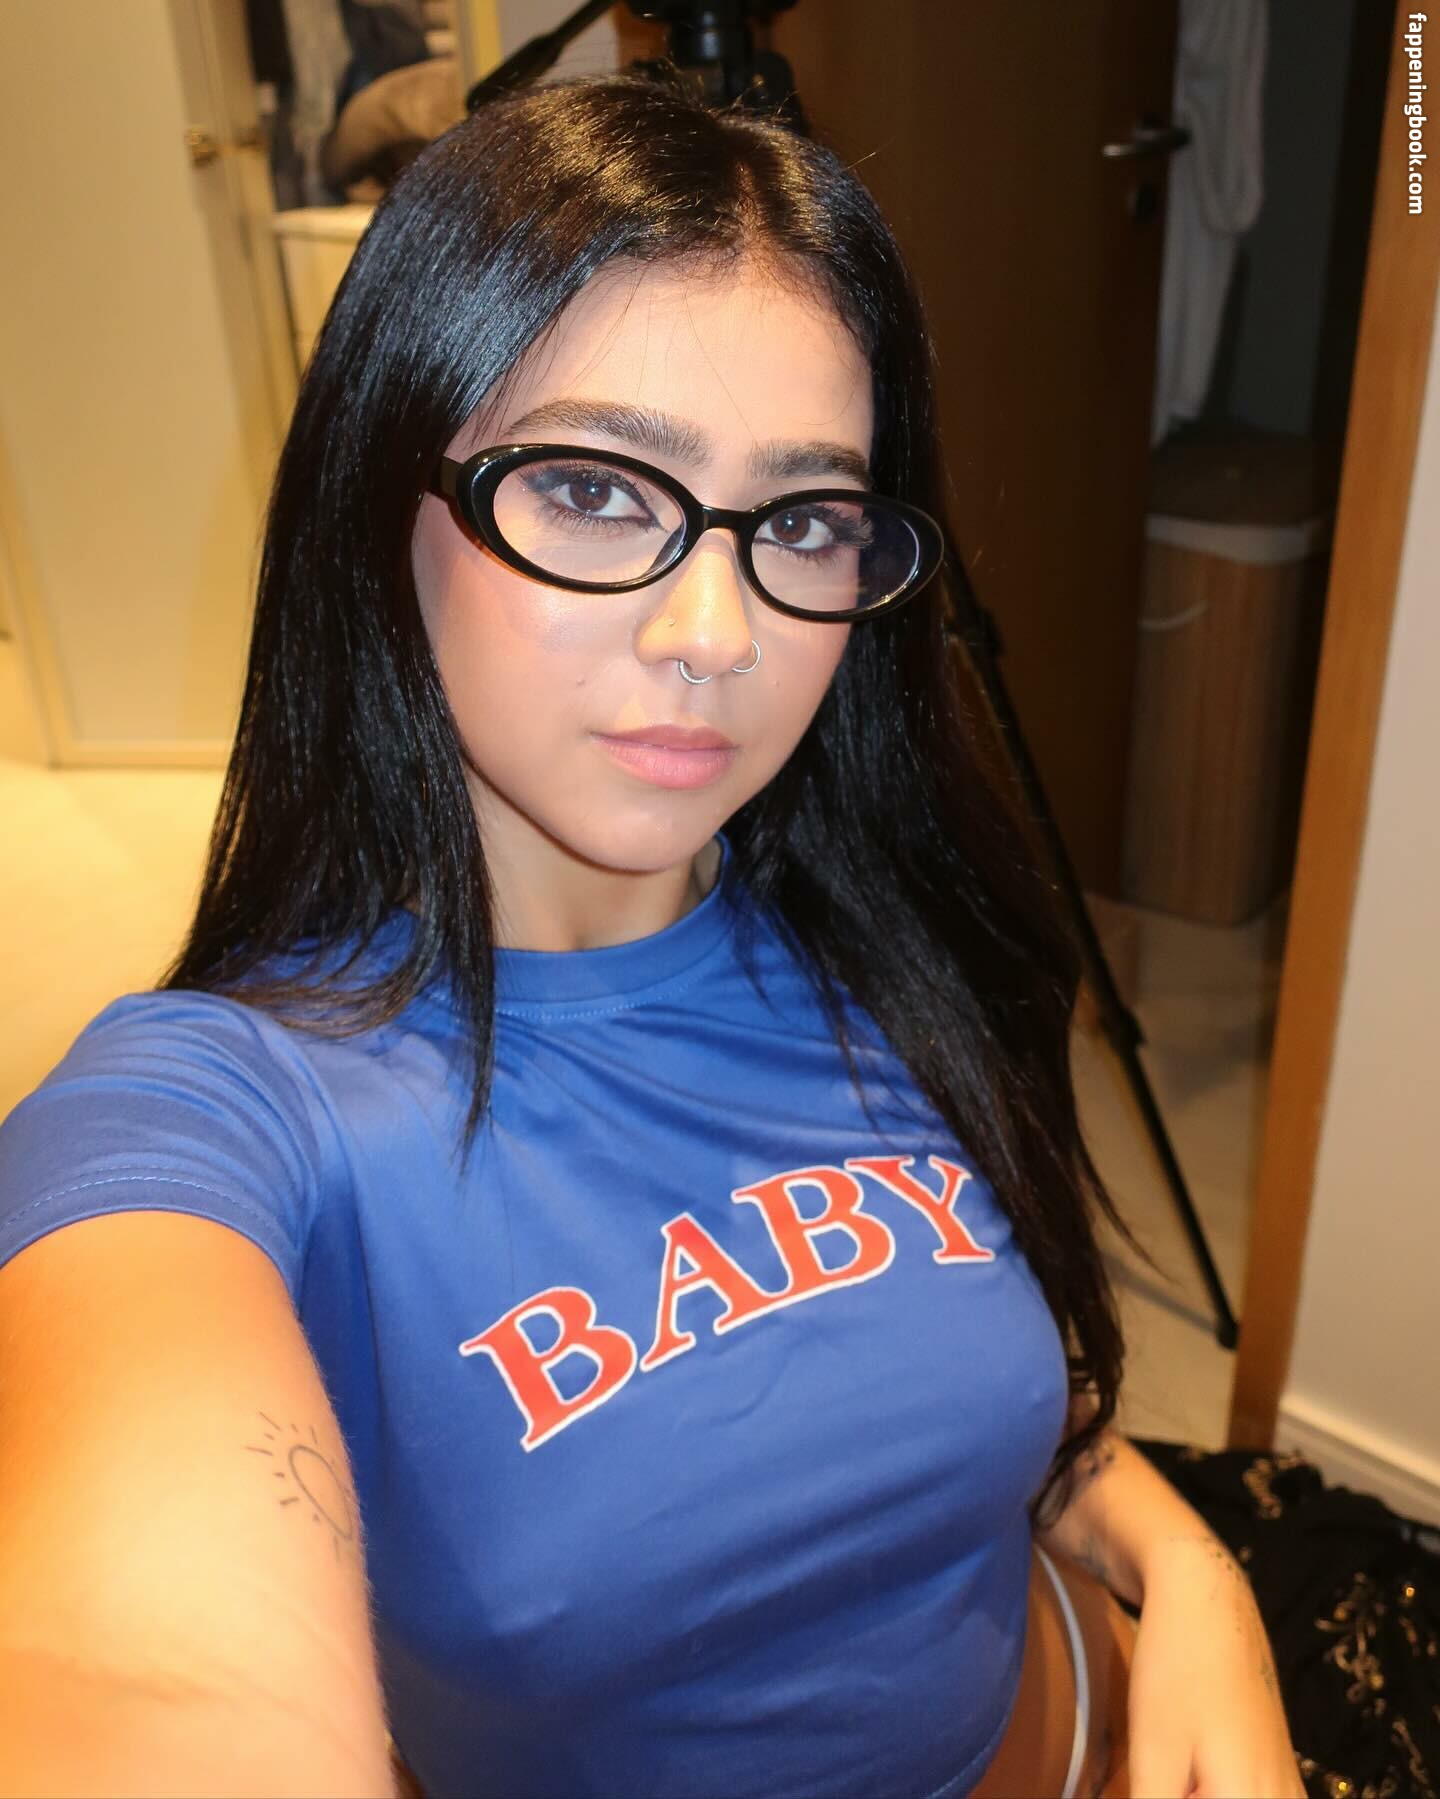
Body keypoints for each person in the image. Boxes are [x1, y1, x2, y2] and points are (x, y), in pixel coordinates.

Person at [0, 74, 1303, 1799]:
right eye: (597, 490)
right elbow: (141, 1668)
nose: (717, 630)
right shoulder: (220, 1114)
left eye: (806, 521)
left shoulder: (900, 932)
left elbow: (986, 1378)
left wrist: (1194, 1575)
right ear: (384, 495)